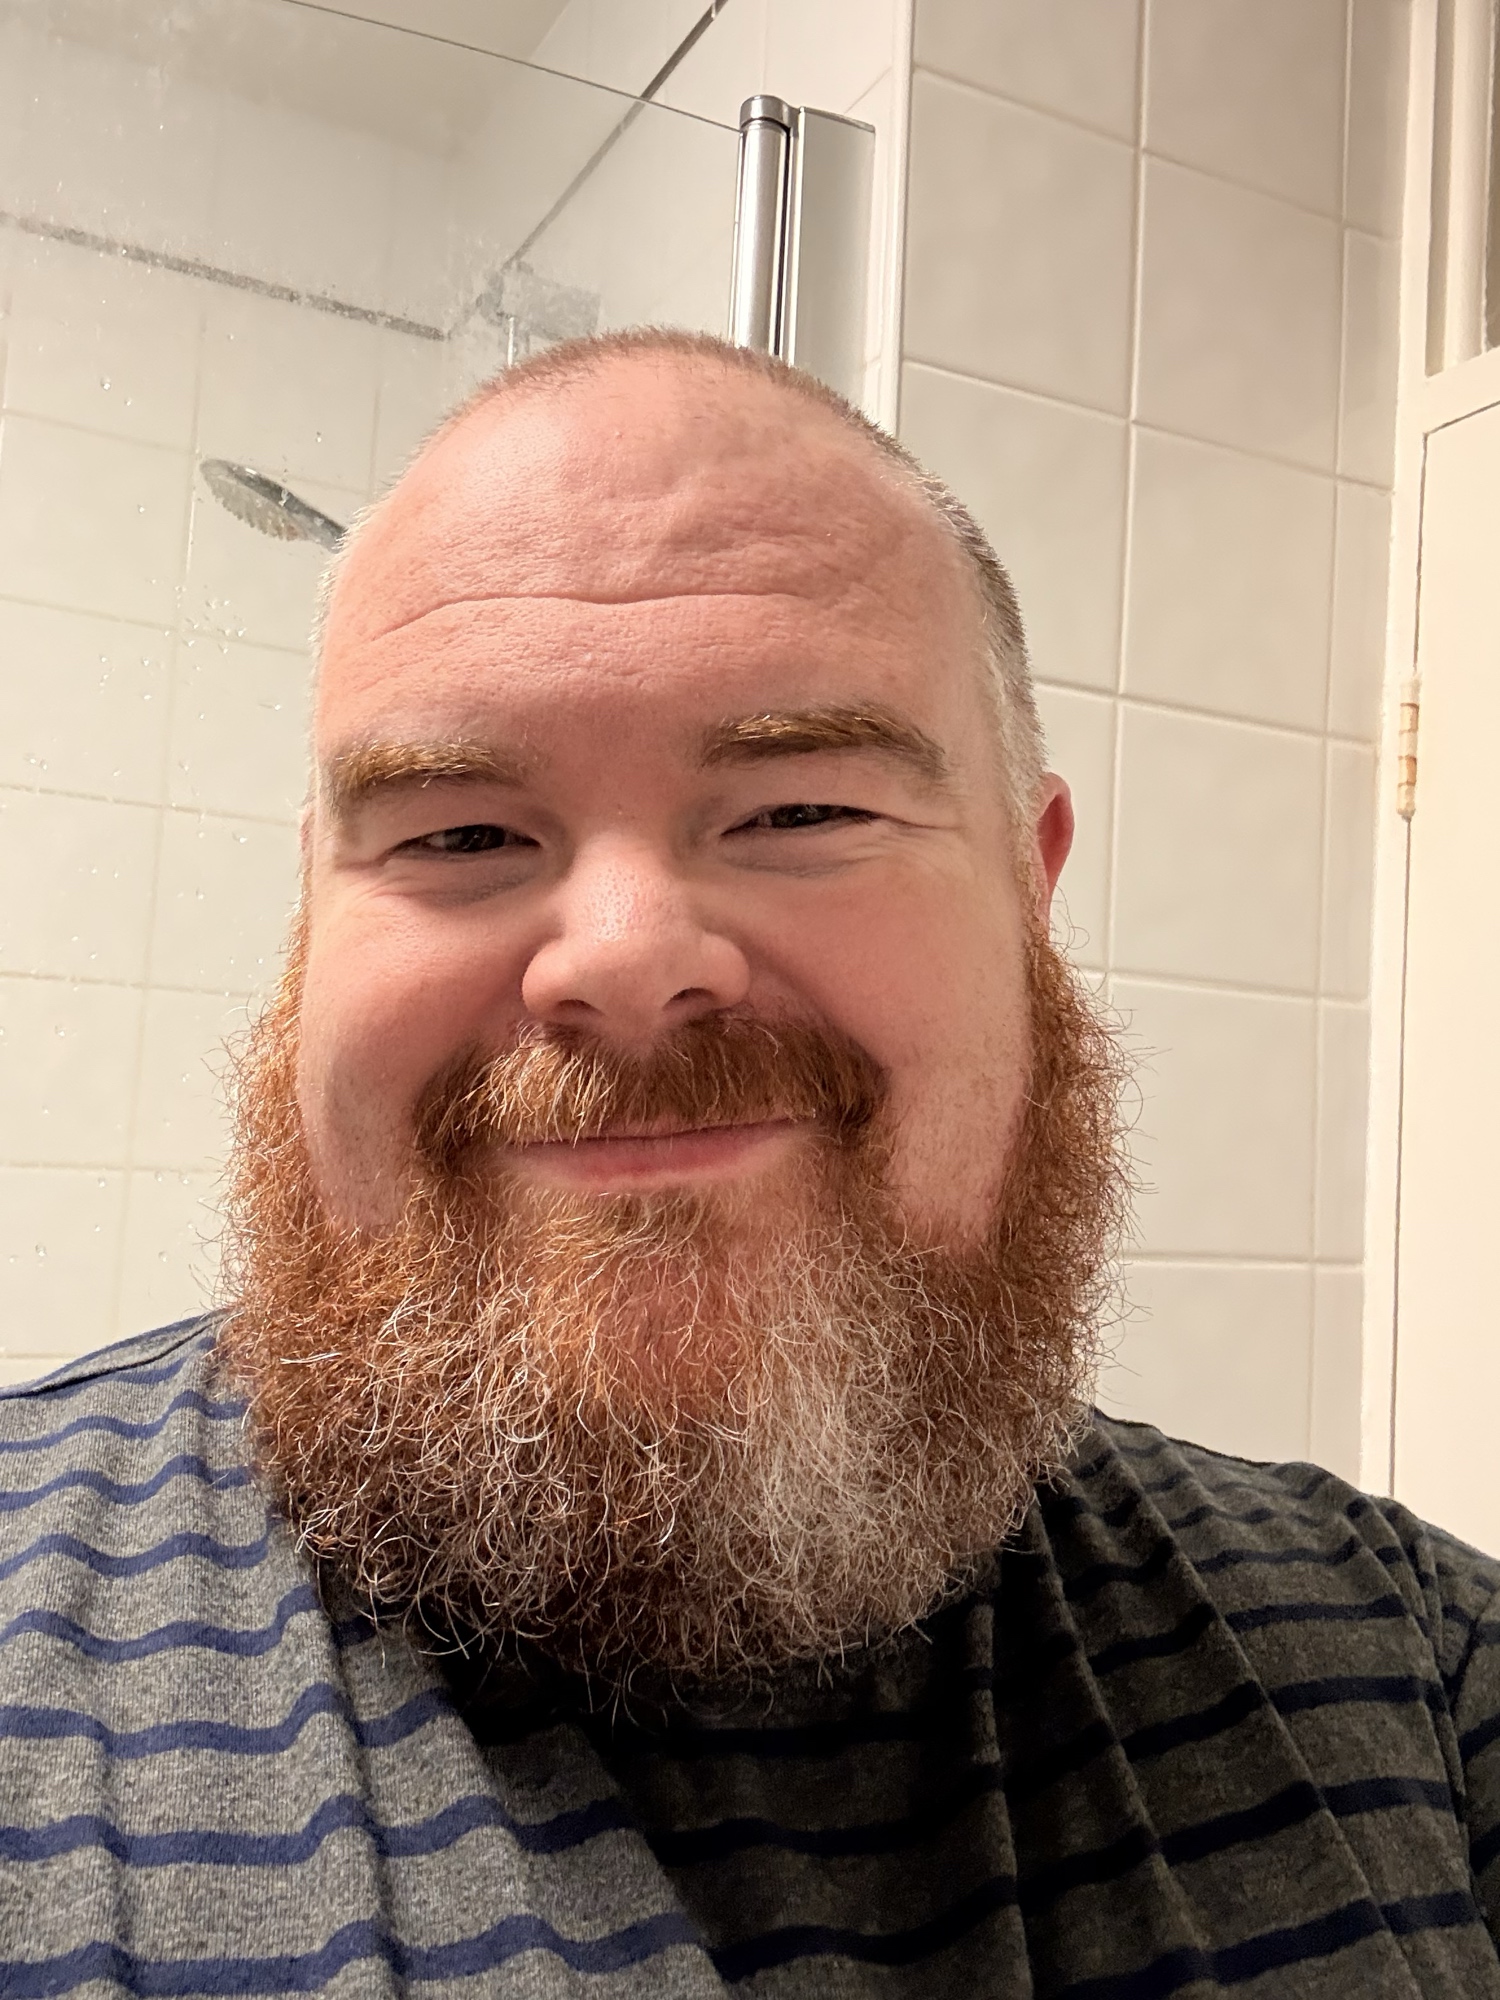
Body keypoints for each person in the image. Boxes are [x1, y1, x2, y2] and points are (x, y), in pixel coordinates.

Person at [1, 330, 1497, 1999]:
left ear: (1029, 882)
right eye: (459, 834)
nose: (626, 960)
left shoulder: (1417, 1667)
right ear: (312, 916)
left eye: (799, 812)